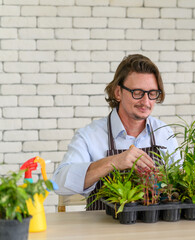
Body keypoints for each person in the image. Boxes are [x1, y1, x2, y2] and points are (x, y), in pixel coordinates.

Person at [53, 54, 179, 210]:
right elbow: (59, 184)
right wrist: (113, 162)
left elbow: (179, 186)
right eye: (138, 92)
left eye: (152, 93)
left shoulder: (164, 133)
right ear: (118, 92)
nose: (146, 102)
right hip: (104, 230)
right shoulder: (90, 135)